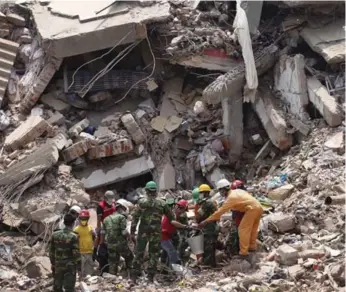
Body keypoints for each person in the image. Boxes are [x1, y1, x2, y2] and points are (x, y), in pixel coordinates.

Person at [130, 181, 185, 282]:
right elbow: (172, 219)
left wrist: (132, 232)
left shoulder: (141, 202)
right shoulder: (162, 203)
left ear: (146, 191)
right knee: (154, 254)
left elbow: (135, 219)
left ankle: (134, 276)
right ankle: (150, 277)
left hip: (143, 233)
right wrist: (183, 226)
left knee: (139, 253)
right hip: (156, 233)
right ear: (156, 191)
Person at [198, 185, 263, 261]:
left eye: (220, 191)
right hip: (259, 207)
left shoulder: (230, 198)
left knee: (243, 229)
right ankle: (252, 247)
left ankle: (243, 253)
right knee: (252, 229)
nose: (220, 193)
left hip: (251, 209)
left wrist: (206, 221)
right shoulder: (236, 192)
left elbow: (219, 213)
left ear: (223, 190)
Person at [101, 200, 133, 276]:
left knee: (113, 262)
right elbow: (124, 232)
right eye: (124, 209)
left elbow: (102, 233)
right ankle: (130, 275)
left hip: (110, 245)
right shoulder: (121, 217)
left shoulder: (106, 219)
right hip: (121, 244)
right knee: (130, 257)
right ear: (121, 208)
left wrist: (103, 243)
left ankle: (112, 278)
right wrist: (130, 238)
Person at [50, 213, 81, 292]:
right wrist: (79, 266)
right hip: (70, 265)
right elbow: (76, 252)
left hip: (58, 264)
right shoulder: (74, 236)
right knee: (69, 288)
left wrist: (53, 263)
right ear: (73, 223)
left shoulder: (55, 234)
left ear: (64, 223)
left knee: (57, 287)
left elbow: (51, 251)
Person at [161, 199, 191, 267]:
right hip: (164, 236)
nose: (183, 213)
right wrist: (185, 227)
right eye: (183, 210)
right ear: (180, 208)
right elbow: (173, 222)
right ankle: (174, 272)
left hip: (166, 236)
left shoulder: (173, 213)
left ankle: (165, 270)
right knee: (173, 254)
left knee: (167, 253)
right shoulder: (172, 214)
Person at [195, 184, 218, 267]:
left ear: (204, 193)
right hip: (212, 227)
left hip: (208, 229)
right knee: (211, 248)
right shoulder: (211, 201)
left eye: (201, 193)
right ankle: (212, 264)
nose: (200, 195)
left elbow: (199, 217)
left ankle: (208, 266)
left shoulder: (207, 203)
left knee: (208, 248)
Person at [96, 190, 116, 274]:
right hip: (105, 227)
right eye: (109, 199)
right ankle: (103, 267)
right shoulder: (100, 206)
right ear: (105, 198)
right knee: (103, 245)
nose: (110, 200)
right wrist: (99, 230)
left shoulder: (114, 204)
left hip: (114, 227)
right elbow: (99, 220)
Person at [73, 210, 96, 279]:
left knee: (89, 272)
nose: (83, 220)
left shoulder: (90, 228)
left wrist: (94, 234)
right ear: (79, 219)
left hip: (89, 252)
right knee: (81, 272)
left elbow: (94, 238)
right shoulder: (76, 229)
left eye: (85, 219)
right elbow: (73, 242)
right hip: (80, 252)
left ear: (88, 219)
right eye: (82, 219)